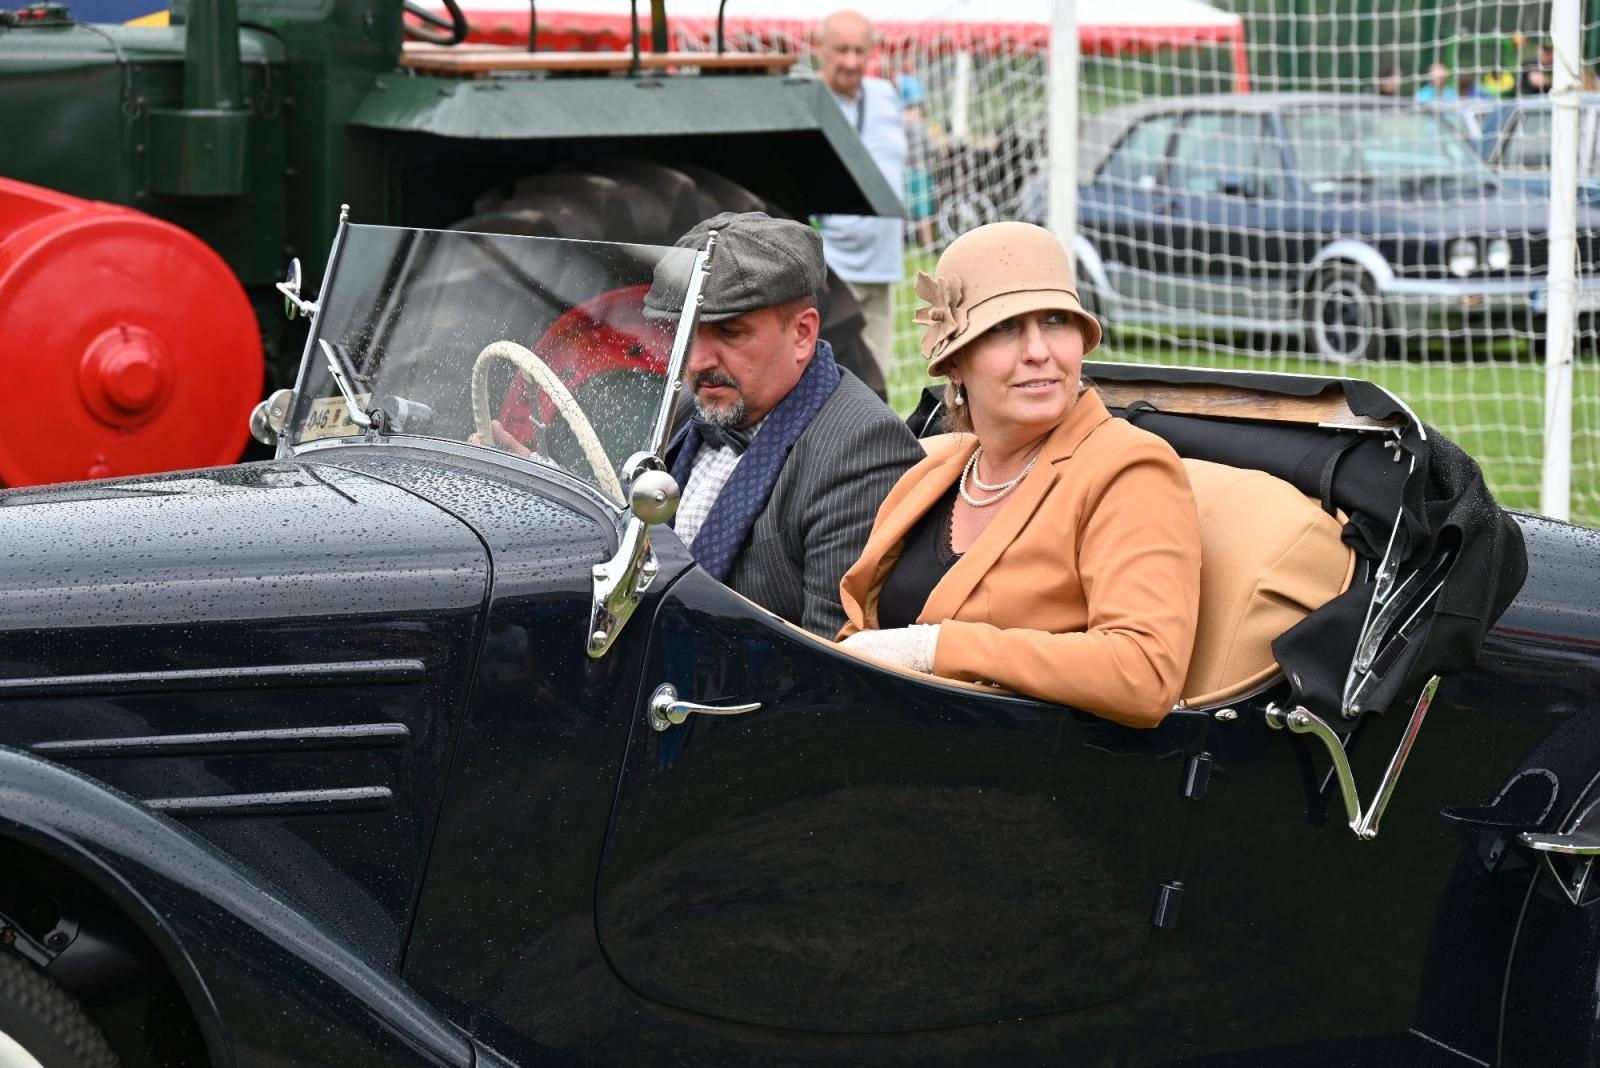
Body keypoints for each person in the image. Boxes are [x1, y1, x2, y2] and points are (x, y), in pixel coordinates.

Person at [835, 222, 1202, 728]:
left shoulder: (1129, 467)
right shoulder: (932, 471)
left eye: (1055, 321)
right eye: (1004, 328)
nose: (1037, 351)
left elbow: (1143, 674)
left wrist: (938, 647)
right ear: (955, 364)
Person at [642, 211, 923, 638]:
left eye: (731, 333)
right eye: (690, 332)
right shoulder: (682, 410)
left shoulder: (863, 449)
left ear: (803, 335)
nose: (697, 362)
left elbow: (836, 663)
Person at [814, 9, 908, 391]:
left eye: (859, 51)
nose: (850, 61)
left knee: (876, 385)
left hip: (882, 267)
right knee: (831, 384)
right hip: (832, 270)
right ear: (819, 50)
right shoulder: (807, 100)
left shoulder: (887, 96)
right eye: (841, 50)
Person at [897, 67, 937, 250]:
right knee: (923, 212)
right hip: (919, 171)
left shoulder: (897, 122)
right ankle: (927, 244)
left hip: (901, 171)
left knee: (899, 211)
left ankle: (900, 245)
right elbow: (931, 147)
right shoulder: (919, 124)